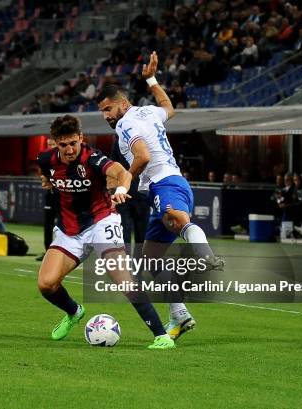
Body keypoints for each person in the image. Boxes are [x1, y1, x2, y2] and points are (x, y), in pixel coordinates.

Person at [97, 51, 224, 341]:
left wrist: (123, 185)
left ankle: (206, 256)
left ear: (122, 104)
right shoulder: (148, 111)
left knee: (176, 218)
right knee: (150, 259)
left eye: (108, 109)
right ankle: (180, 315)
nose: (106, 116)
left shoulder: (125, 124)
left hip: (165, 182)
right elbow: (169, 107)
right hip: (166, 184)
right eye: (102, 111)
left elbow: (141, 156)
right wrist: (152, 79)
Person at [37, 114, 175, 350]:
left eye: (73, 143)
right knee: (46, 284)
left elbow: (122, 172)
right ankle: (74, 312)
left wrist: (121, 187)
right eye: (63, 145)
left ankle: (161, 335)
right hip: (70, 231)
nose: (70, 149)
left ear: (80, 138)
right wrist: (48, 182)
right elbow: (48, 177)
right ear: (54, 143)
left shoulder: (92, 158)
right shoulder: (45, 160)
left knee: (123, 279)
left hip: (102, 221)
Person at [36, 137, 58, 261]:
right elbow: (43, 175)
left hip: (63, 195)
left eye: (53, 144)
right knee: (48, 224)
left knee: (64, 225)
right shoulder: (44, 157)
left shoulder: (64, 158)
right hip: (50, 195)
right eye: (49, 144)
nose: (50, 147)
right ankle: (47, 252)